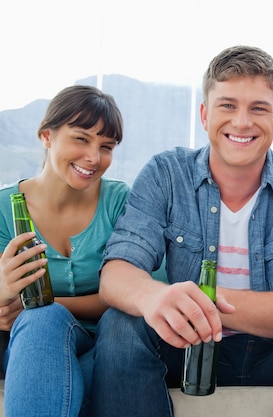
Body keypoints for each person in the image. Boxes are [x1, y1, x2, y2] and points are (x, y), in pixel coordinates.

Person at [90, 45, 273, 417]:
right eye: (228, 105)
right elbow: (117, 274)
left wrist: (201, 300)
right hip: (182, 346)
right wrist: (155, 298)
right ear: (204, 114)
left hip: (272, 353)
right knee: (120, 323)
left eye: (258, 108)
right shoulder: (167, 173)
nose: (242, 122)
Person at [0, 85, 127, 417]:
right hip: (31, 344)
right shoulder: (4, 208)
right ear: (46, 136)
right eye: (81, 139)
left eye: (106, 146)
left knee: (44, 316)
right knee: (42, 324)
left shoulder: (119, 203)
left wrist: (44, 304)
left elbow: (138, 292)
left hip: (107, 342)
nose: (94, 158)